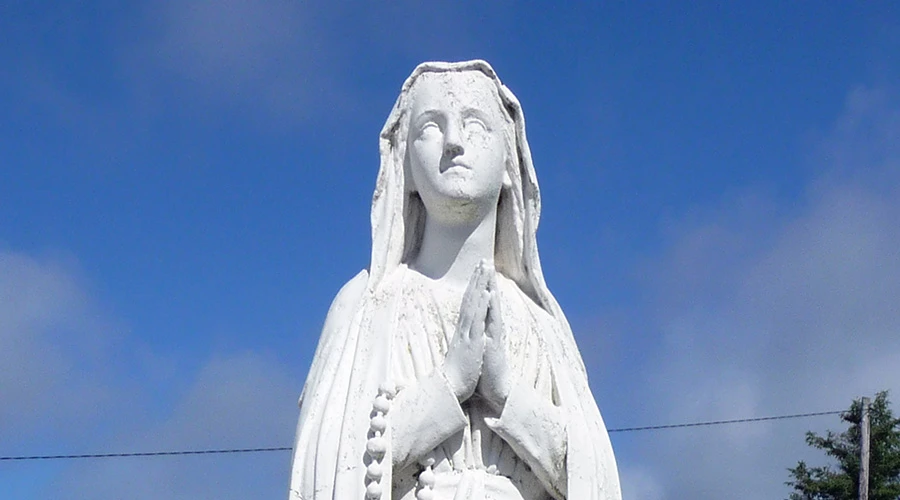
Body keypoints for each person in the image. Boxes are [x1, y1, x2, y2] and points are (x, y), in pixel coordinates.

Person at [289, 60, 620, 500]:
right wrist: (449, 383)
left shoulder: (545, 327)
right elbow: (330, 464)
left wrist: (506, 394)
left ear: (510, 163)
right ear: (405, 165)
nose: (454, 142)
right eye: (430, 127)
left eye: (475, 125)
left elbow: (594, 476)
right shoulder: (367, 308)